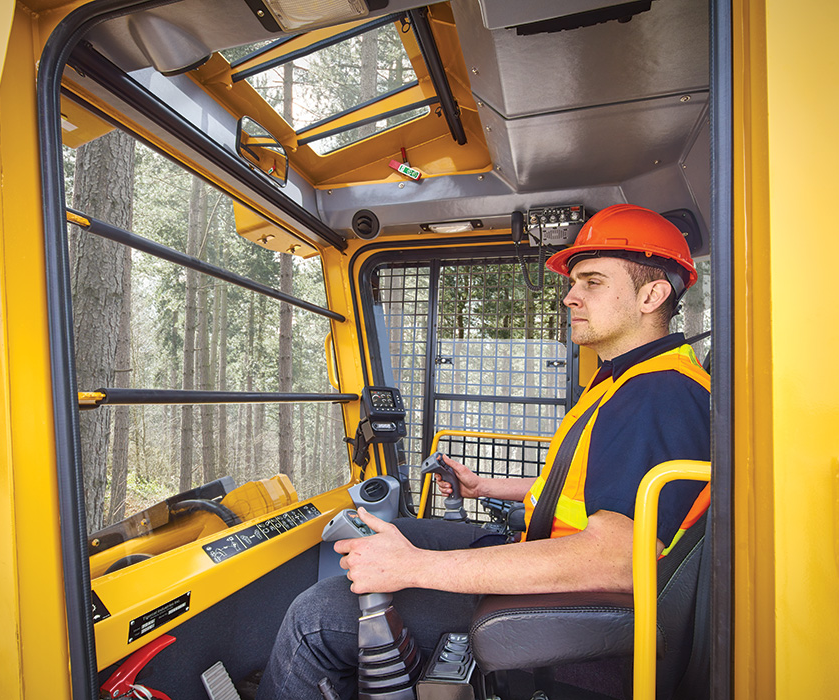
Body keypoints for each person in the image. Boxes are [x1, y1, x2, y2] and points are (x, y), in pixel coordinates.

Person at [256, 204, 711, 699]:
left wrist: (416, 568)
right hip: (555, 571)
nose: (569, 296)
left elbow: (619, 558)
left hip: (570, 623)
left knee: (314, 616)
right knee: (404, 530)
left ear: (652, 295)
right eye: (573, 282)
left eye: (592, 282)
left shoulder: (658, 395)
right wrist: (488, 487)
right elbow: (599, 493)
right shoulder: (631, 380)